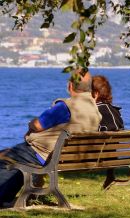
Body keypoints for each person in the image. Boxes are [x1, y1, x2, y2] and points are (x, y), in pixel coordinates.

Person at [0, 69, 102, 207]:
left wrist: (30, 124)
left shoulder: (66, 106)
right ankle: (5, 196)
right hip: (70, 157)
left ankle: (2, 197)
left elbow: (38, 125)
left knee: (4, 156)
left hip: (45, 155)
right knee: (15, 156)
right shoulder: (93, 109)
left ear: (70, 86)